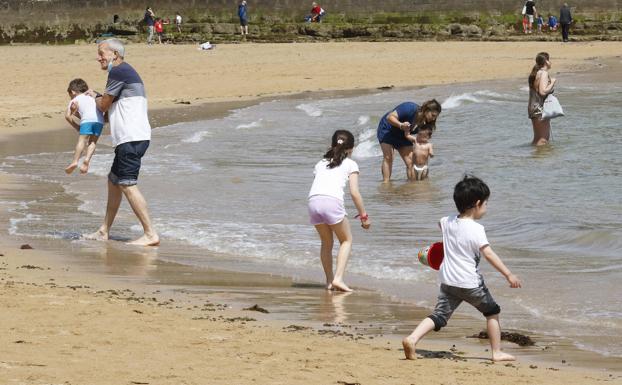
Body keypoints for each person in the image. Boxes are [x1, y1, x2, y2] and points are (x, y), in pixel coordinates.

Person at [402, 175, 522, 361]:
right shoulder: (477, 229)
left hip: (448, 281)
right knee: (492, 312)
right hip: (470, 283)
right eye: (486, 204)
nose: (486, 207)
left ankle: (412, 338)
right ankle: (496, 352)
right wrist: (508, 274)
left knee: (439, 315)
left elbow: (440, 224)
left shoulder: (446, 221)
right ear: (478, 203)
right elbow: (489, 254)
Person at [85, 38, 159, 246]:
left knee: (127, 184)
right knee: (114, 181)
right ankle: (103, 231)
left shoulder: (118, 71)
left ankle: (150, 234)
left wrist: (91, 99)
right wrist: (98, 97)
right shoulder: (124, 72)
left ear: (115, 55)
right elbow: (109, 106)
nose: (98, 57)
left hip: (131, 137)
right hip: (132, 137)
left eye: (102, 53)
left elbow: (103, 105)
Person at [308, 130, 370, 292]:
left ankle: (329, 281)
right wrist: (364, 216)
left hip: (313, 202)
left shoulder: (320, 163)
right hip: (332, 202)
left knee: (326, 243)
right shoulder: (351, 164)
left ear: (332, 145)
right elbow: (355, 193)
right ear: (352, 149)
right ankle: (338, 278)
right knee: (346, 240)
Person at [377, 99, 441, 182]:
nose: (433, 119)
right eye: (433, 115)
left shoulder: (426, 124)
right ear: (426, 109)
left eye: (436, 117)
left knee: (411, 162)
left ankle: (411, 186)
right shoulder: (409, 107)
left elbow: (421, 142)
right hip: (387, 129)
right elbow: (389, 117)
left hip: (403, 135)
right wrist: (401, 125)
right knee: (389, 157)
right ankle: (386, 184)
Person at [64, 78, 105, 175]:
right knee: (93, 141)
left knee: (82, 140)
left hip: (86, 120)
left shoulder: (75, 100)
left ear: (73, 92)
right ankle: (87, 160)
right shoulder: (92, 96)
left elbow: (67, 116)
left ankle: (75, 161)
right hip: (99, 121)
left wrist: (76, 126)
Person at [528, 52, 556, 146]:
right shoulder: (543, 73)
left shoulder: (536, 73)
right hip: (539, 108)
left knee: (538, 139)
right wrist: (552, 82)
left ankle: (535, 158)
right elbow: (542, 91)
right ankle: (541, 159)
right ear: (546, 62)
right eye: (549, 60)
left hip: (534, 107)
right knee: (543, 140)